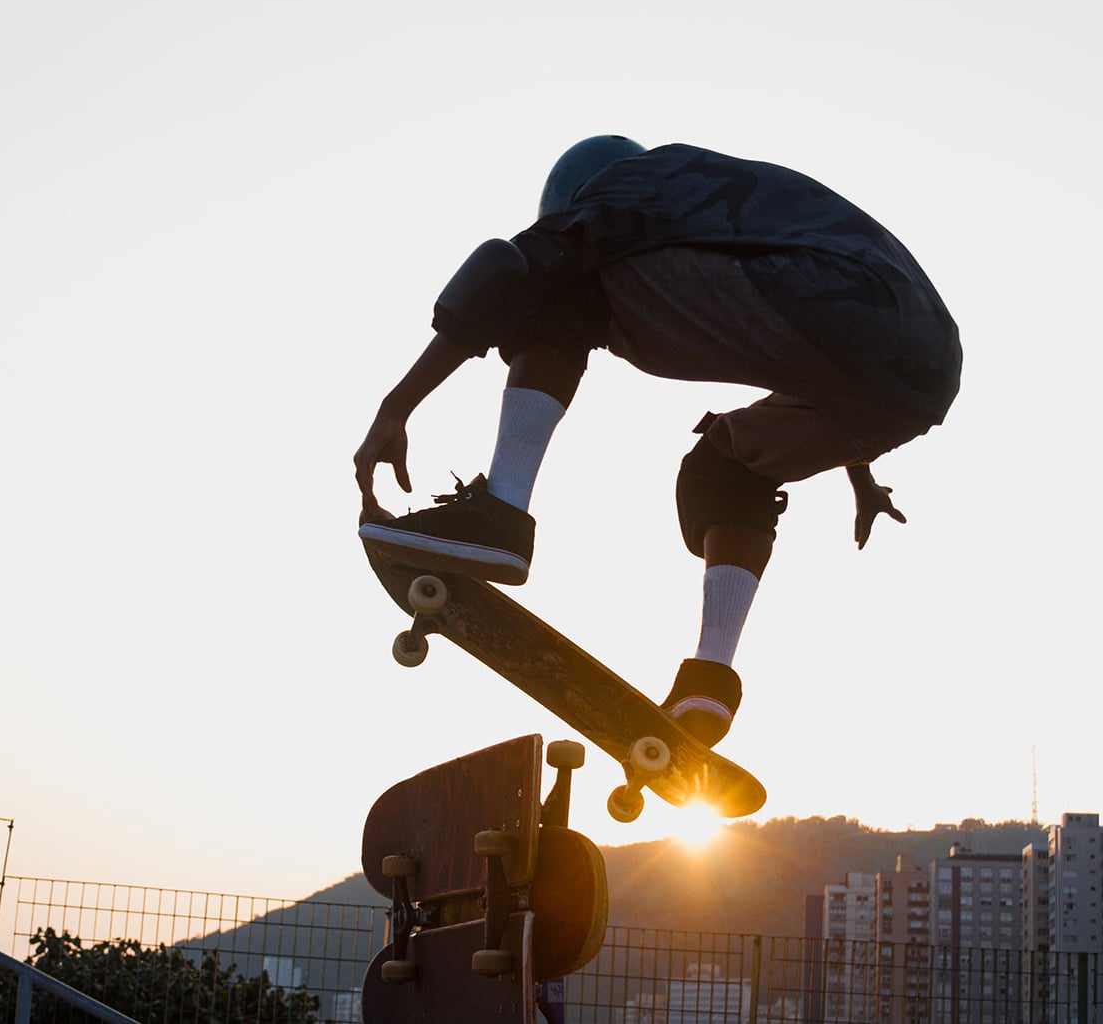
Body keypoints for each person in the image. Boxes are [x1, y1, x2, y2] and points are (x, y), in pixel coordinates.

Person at [354, 136, 961, 747]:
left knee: (557, 281)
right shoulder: (709, 199)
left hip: (830, 298)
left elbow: (508, 269)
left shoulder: (629, 182)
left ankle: (500, 513)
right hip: (922, 371)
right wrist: (858, 473)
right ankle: (710, 682)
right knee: (725, 470)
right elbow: (849, 354)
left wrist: (396, 406)